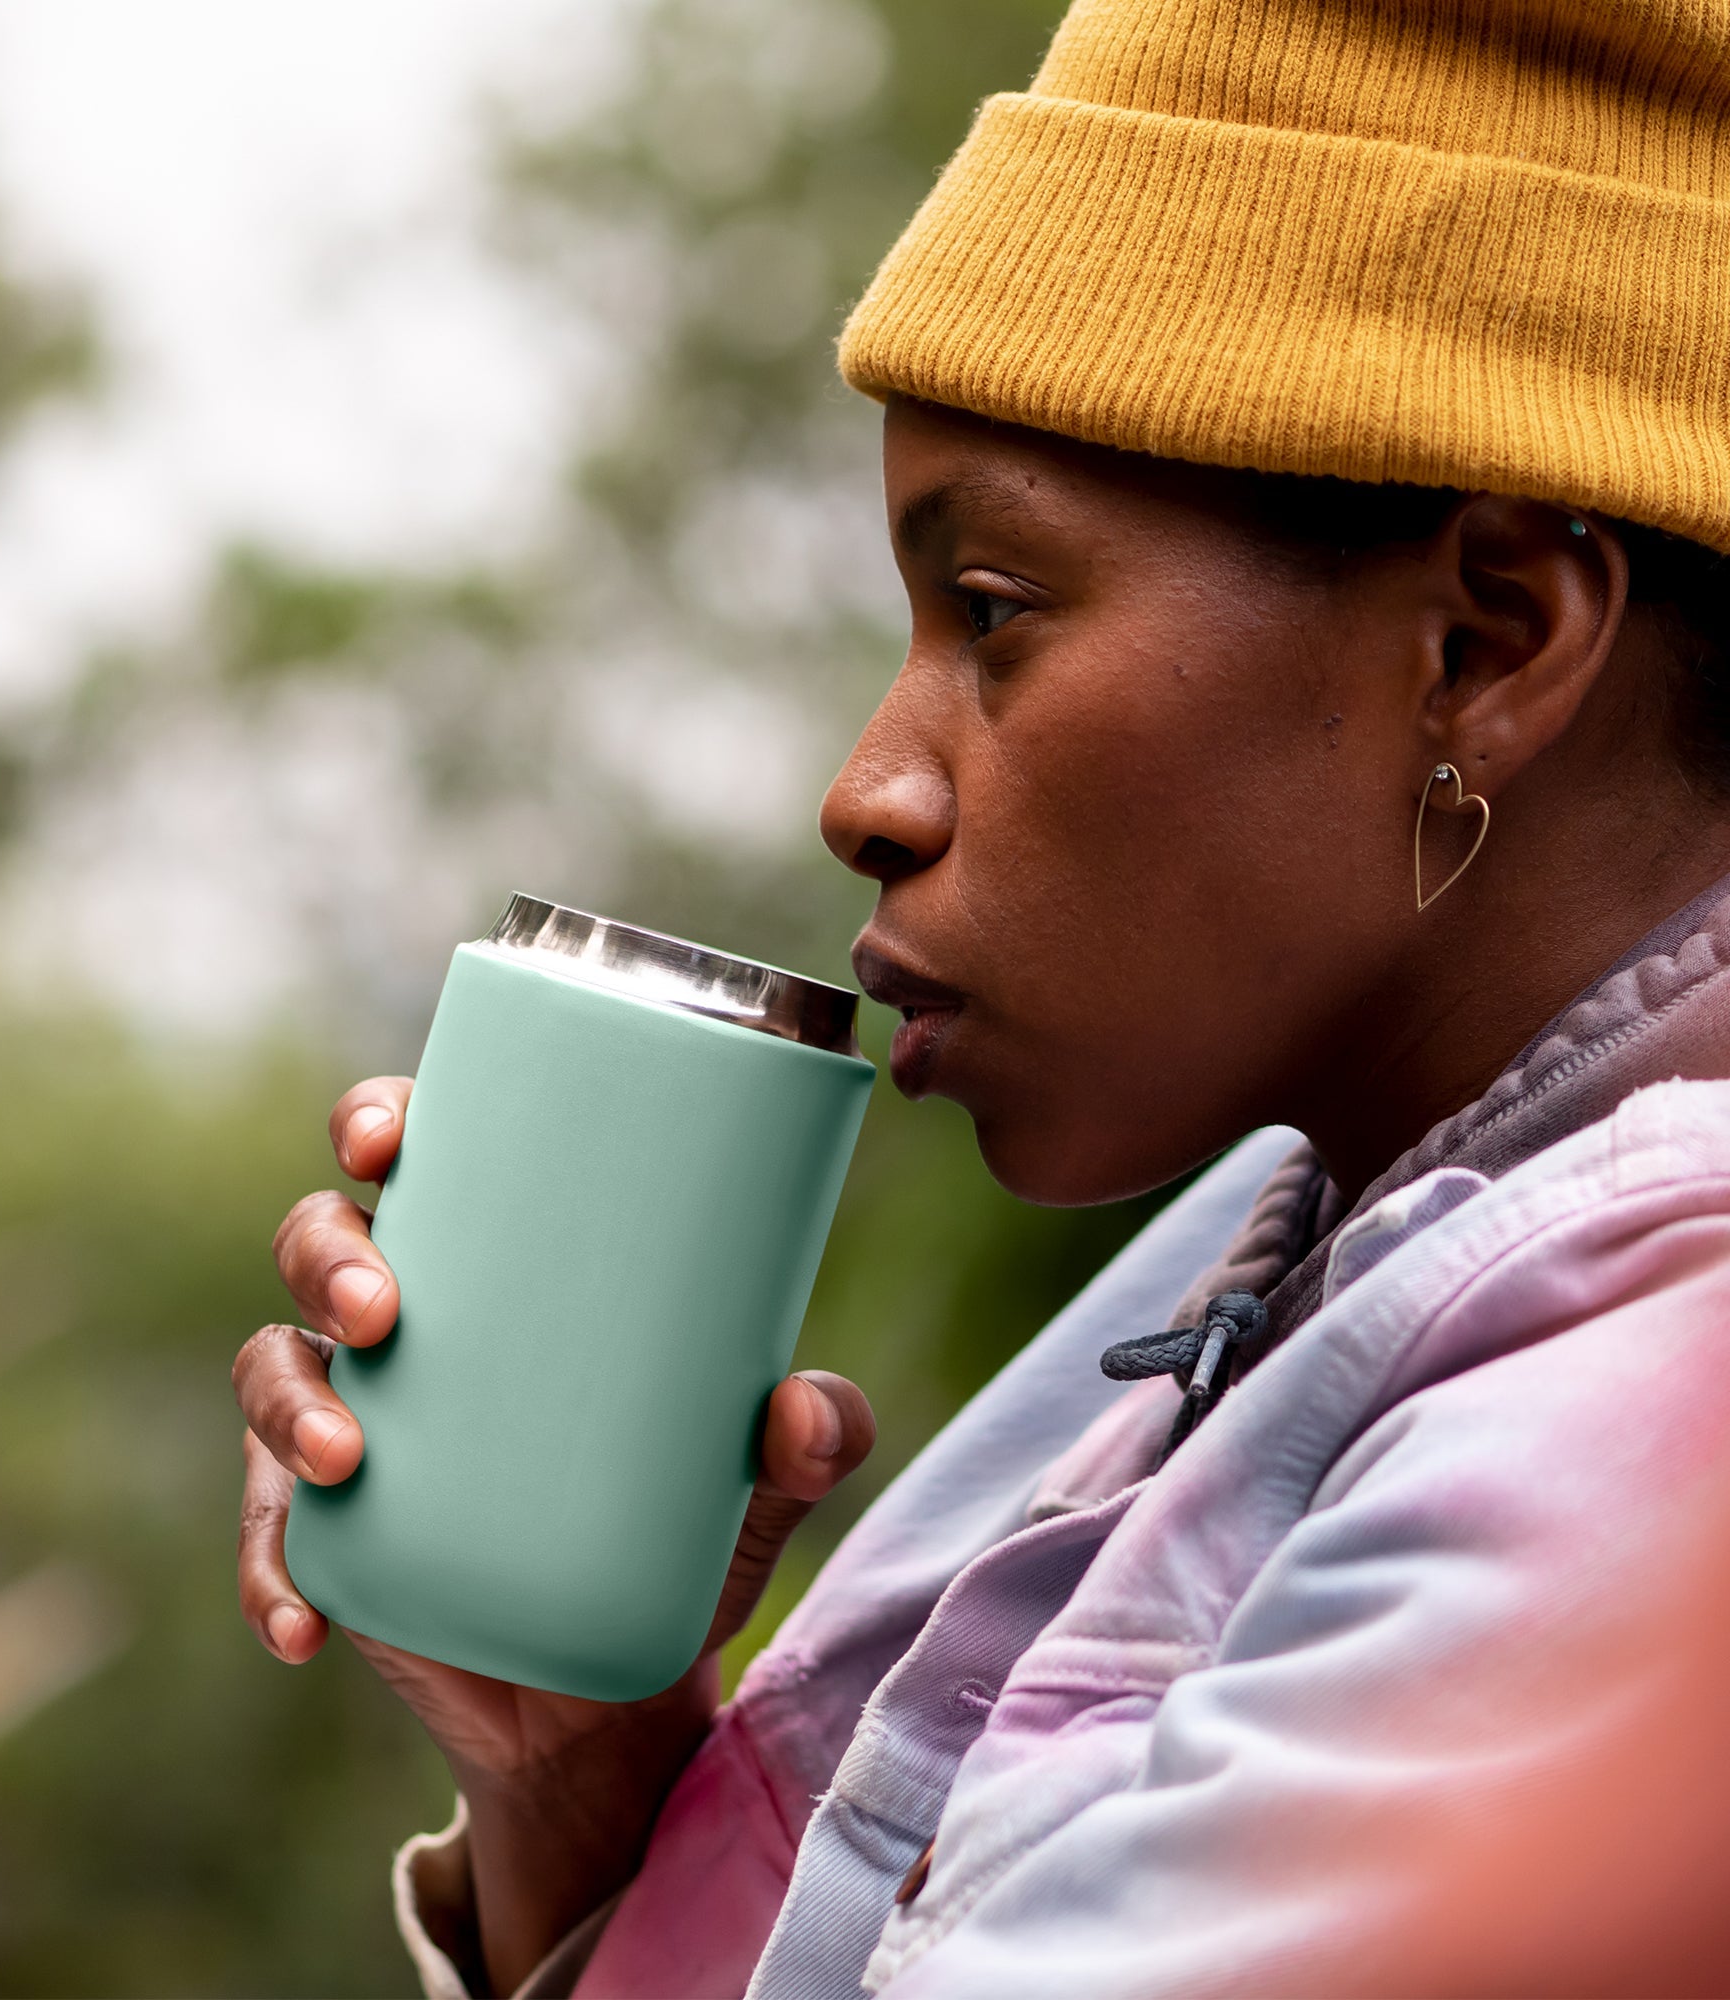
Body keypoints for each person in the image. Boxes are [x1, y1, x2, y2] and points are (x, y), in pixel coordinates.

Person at [233, 0, 1730, 1991]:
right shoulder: (1292, 1248)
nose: (866, 792)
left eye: (994, 611)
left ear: (1484, 639)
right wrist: (585, 1797)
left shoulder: (1653, 1424)